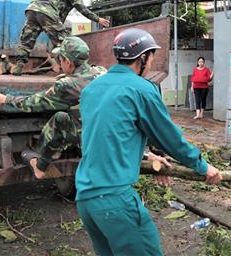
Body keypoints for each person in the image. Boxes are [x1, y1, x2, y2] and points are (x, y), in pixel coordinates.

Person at [75, 28, 222, 256]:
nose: (152, 62)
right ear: (142, 58)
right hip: (115, 201)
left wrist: (145, 155)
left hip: (86, 199)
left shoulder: (91, 89)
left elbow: (107, 134)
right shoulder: (141, 89)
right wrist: (203, 166)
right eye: (152, 56)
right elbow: (169, 138)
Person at [0, 36, 106, 178]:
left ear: (68, 62)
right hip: (107, 134)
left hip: (88, 137)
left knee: (60, 118)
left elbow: (35, 103)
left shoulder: (66, 85)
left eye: (60, 60)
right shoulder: (102, 72)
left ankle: (40, 165)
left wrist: (6, 99)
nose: (59, 64)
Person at [14, 0, 110, 75]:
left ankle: (18, 66)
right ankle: (71, 71)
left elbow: (60, 14)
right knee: (65, 43)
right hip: (47, 12)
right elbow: (81, 8)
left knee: (26, 41)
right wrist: (98, 19)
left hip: (32, 10)